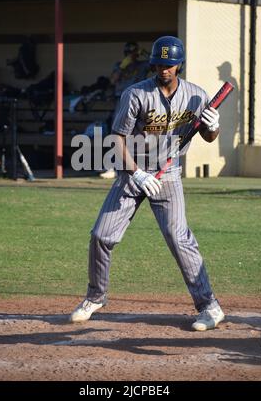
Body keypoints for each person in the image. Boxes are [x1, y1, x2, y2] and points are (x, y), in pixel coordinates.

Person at [70, 35, 225, 331]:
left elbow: (207, 136)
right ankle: (96, 296)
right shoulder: (136, 94)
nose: (163, 69)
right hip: (133, 174)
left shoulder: (196, 95)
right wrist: (137, 173)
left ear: (179, 65)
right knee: (101, 236)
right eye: (158, 64)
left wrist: (214, 126)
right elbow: (118, 138)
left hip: (167, 177)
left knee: (179, 238)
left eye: (169, 65)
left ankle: (209, 307)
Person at [99, 41, 150, 179]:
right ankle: (111, 166)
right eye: (128, 53)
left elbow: (155, 63)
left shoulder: (142, 64)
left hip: (139, 100)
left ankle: (136, 166)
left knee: (137, 134)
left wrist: (143, 53)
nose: (130, 56)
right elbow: (112, 80)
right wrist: (122, 66)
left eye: (132, 53)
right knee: (117, 133)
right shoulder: (119, 65)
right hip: (121, 100)